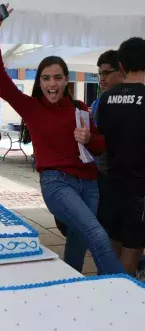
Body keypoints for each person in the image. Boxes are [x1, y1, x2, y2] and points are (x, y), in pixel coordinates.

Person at [0, 4, 125, 275]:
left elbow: (100, 146)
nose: (52, 83)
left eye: (58, 77)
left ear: (65, 81)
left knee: (78, 241)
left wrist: (87, 138)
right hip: (57, 183)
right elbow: (0, 81)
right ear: (39, 82)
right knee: (97, 235)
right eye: (46, 78)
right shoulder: (32, 107)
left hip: (89, 184)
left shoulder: (80, 108)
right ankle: (123, 290)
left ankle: (69, 286)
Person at [54, 50, 124, 271]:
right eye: (99, 73)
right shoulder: (97, 103)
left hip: (111, 178)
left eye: (107, 73)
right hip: (99, 176)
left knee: (102, 234)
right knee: (101, 233)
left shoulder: (106, 102)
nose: (102, 79)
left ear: (121, 72)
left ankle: (112, 280)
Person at [97, 37, 145, 278]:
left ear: (122, 66)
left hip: (111, 184)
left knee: (112, 247)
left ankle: (106, 292)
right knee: (131, 253)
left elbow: (101, 143)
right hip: (139, 189)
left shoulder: (105, 99)